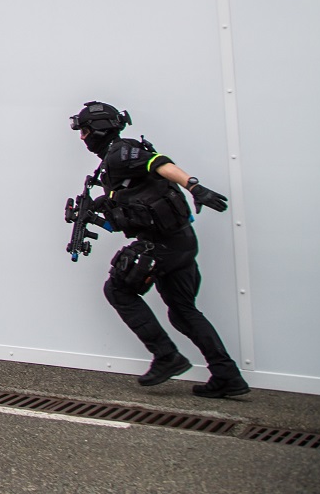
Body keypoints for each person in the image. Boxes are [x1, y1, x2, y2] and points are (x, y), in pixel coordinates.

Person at [70, 101, 245, 398]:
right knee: (182, 311)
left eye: (85, 131)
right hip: (179, 242)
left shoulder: (121, 152)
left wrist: (194, 186)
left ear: (99, 130)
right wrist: (97, 214)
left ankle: (166, 356)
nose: (83, 138)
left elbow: (158, 163)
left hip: (165, 244)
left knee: (118, 290)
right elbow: (128, 216)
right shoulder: (112, 165)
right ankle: (227, 375)